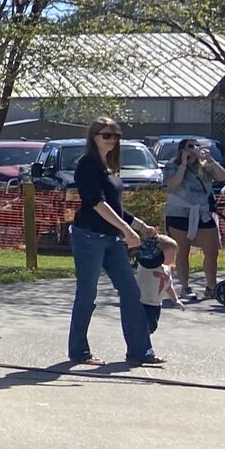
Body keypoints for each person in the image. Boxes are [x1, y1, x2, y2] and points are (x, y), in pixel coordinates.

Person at [67, 117, 161, 367]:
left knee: (131, 291)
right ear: (94, 136)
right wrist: (128, 231)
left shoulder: (108, 166)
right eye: (107, 134)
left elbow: (116, 208)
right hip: (88, 237)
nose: (112, 140)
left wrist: (140, 226)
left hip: (111, 237)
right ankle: (79, 351)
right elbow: (97, 203)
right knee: (87, 294)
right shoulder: (87, 164)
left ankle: (141, 351)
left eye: (116, 135)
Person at [163, 137, 225, 299]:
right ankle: (185, 287)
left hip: (203, 213)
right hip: (179, 213)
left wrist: (210, 160)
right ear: (182, 150)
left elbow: (223, 177)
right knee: (183, 250)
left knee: (211, 251)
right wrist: (184, 164)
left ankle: (211, 287)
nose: (194, 148)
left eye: (197, 145)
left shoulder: (204, 167)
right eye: (190, 146)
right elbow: (173, 183)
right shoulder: (172, 166)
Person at [136, 233, 183, 338]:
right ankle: (143, 346)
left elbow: (168, 286)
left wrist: (175, 300)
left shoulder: (167, 270)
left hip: (156, 304)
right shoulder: (146, 266)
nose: (173, 258)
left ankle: (143, 343)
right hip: (142, 302)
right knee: (143, 328)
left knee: (152, 326)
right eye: (171, 255)